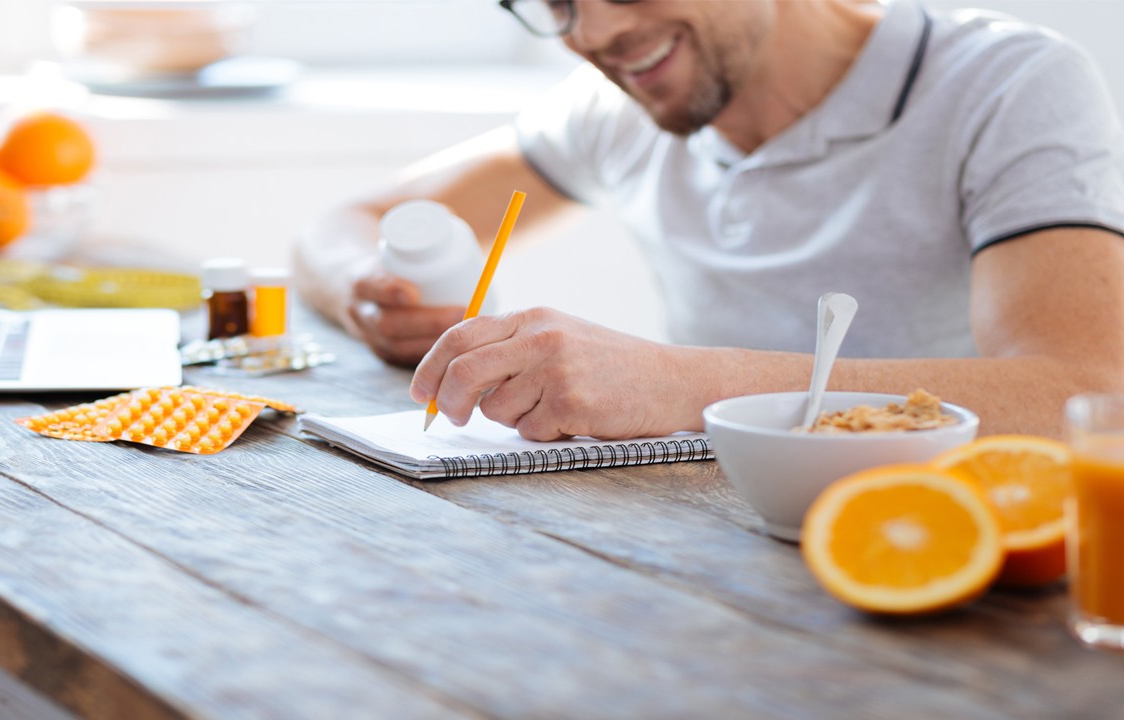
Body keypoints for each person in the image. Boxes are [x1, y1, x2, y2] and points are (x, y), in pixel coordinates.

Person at [294, 0, 1124, 441]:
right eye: (555, 0)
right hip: (706, 543)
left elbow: (1088, 390)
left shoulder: (1006, 84)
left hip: (943, 548)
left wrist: (680, 383)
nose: (595, 33)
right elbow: (343, 221)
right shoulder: (613, 110)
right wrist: (371, 290)